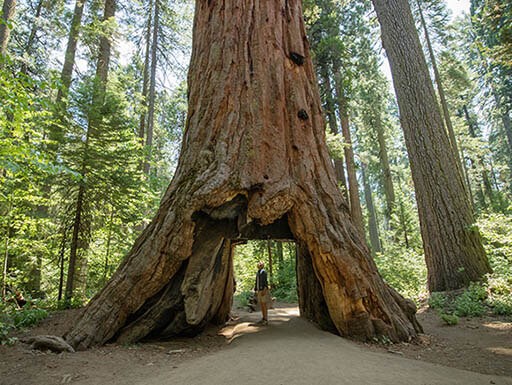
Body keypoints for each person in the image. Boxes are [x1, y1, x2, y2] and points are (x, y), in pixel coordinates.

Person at [254, 261, 269, 325]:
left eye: (260, 264)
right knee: (262, 305)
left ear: (262, 265)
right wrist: (255, 289)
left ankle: (265, 319)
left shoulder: (263, 272)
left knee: (264, 304)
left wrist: (264, 290)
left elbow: (265, 282)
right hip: (259, 290)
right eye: (258, 264)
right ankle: (263, 318)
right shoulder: (258, 272)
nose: (258, 265)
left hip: (263, 290)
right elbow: (257, 281)